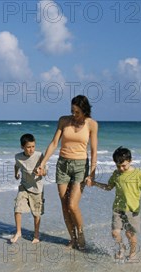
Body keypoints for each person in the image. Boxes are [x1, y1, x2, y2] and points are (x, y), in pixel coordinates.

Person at [36, 95, 98, 249]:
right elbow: (54, 143)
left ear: (84, 110)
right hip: (62, 165)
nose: (74, 114)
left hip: (80, 166)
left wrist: (92, 173)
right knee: (64, 205)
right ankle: (73, 238)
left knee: (72, 205)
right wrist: (42, 163)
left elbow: (94, 150)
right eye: (72, 111)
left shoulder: (92, 124)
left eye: (77, 112)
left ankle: (81, 234)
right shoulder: (63, 121)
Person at [91, 147, 141, 261]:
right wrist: (94, 183)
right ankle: (121, 248)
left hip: (133, 210)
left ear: (130, 161)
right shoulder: (116, 174)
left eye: (124, 165)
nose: (121, 168)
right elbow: (109, 187)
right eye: (118, 166)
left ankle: (133, 253)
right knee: (115, 233)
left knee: (130, 234)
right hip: (118, 209)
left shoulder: (138, 174)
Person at [10, 133, 46, 244]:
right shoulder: (18, 156)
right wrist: (16, 174)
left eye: (33, 146)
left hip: (37, 189)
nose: (31, 149)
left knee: (36, 213)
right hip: (24, 186)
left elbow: (45, 172)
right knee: (17, 208)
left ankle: (36, 235)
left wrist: (40, 172)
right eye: (28, 147)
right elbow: (17, 164)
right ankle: (18, 232)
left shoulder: (40, 155)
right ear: (22, 147)